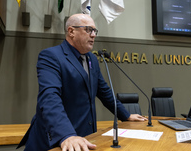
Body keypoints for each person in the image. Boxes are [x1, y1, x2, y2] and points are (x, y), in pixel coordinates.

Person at [17, 13, 147, 151]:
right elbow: (49, 98)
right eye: (88, 30)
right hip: (57, 139)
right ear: (71, 31)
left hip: (85, 137)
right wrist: (66, 134)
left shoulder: (92, 59)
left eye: (95, 31)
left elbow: (104, 92)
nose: (93, 35)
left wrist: (126, 115)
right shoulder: (51, 56)